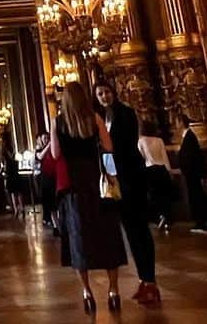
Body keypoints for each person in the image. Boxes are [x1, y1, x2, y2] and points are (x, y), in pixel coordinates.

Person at [50, 81, 127, 314]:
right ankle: (113, 290)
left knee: (78, 241)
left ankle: (87, 292)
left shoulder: (58, 122)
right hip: (97, 184)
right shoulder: (95, 119)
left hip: (74, 189)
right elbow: (108, 146)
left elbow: (55, 154)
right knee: (108, 238)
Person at [95, 82, 161, 307]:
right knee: (131, 233)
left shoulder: (126, 114)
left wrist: (107, 148)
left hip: (132, 179)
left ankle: (151, 281)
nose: (104, 96)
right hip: (116, 181)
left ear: (114, 92)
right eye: (100, 94)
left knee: (140, 231)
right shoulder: (102, 118)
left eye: (106, 92)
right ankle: (144, 280)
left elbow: (125, 144)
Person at [177, 114, 207, 233]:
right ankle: (202, 221)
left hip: (193, 173)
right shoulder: (188, 136)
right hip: (191, 173)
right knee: (196, 197)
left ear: (181, 123)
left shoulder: (189, 137)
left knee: (198, 197)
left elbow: (191, 156)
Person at [138, 121, 176, 232]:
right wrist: (169, 172)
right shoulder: (159, 140)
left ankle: (158, 217)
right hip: (162, 170)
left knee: (153, 196)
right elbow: (165, 157)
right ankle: (166, 217)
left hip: (150, 170)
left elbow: (141, 158)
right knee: (164, 195)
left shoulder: (141, 141)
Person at [35, 131, 59, 233]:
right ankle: (55, 225)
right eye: (44, 138)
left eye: (47, 138)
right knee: (50, 204)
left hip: (54, 178)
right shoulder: (39, 150)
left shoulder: (53, 149)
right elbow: (40, 156)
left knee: (56, 203)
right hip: (45, 180)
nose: (46, 140)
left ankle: (59, 224)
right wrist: (49, 145)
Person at [1, 130, 26, 218]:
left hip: (9, 171)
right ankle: (22, 208)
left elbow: (3, 160)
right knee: (19, 191)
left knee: (12, 192)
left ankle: (16, 209)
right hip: (15, 170)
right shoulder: (13, 146)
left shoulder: (3, 148)